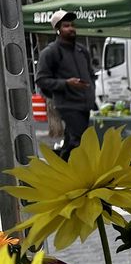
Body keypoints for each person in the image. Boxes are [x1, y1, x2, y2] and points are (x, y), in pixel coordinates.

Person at [35, 10, 95, 158]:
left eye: (72, 25)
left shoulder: (82, 51)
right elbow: (41, 80)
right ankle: (69, 169)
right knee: (77, 140)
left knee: (73, 139)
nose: (71, 28)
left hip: (85, 103)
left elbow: (91, 74)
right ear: (58, 29)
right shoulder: (50, 52)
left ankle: (61, 167)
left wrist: (91, 91)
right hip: (67, 104)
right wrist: (66, 84)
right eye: (66, 25)